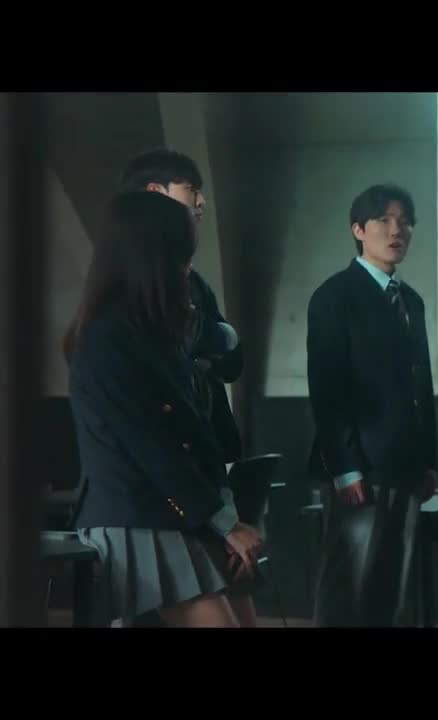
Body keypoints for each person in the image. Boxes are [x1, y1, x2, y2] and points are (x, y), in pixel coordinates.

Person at [64, 191, 264, 628]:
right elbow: (154, 448)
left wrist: (224, 518)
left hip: (179, 511)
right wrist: (223, 524)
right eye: (180, 258)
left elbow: (195, 438)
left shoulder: (155, 333)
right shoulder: (105, 339)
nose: (187, 270)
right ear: (150, 260)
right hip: (135, 515)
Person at [306, 184, 438, 627]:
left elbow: (422, 386)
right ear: (358, 229)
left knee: (390, 592)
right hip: (359, 467)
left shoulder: (411, 301)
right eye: (384, 220)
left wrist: (429, 460)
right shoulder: (335, 296)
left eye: (406, 222)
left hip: (406, 465)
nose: (397, 230)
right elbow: (327, 389)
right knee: (346, 591)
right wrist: (345, 468)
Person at [120, 148, 244, 465]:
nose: (201, 201)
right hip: (165, 454)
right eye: (191, 189)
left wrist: (215, 341)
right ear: (155, 192)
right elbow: (195, 341)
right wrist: (215, 340)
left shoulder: (194, 280)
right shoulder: (131, 279)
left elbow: (233, 363)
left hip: (210, 446)